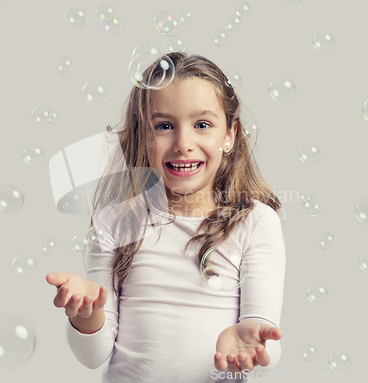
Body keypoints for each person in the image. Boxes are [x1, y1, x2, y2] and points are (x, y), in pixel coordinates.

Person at [46, 51, 286, 383]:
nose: (183, 143)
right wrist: (88, 312)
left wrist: (250, 341)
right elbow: (93, 355)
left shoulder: (255, 223)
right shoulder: (116, 221)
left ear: (230, 135)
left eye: (202, 124)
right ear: (142, 136)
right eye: (163, 126)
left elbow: (267, 343)